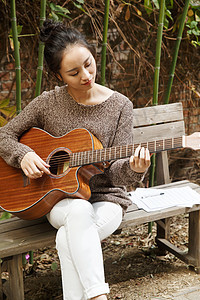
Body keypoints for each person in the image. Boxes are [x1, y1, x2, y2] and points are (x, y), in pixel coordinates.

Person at [0, 20, 150, 300]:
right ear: (58, 76)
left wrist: (133, 169)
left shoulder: (120, 106)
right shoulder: (47, 104)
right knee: (78, 212)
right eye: (73, 72)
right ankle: (98, 296)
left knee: (67, 239)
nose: (86, 75)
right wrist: (24, 155)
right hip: (58, 199)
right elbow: (4, 135)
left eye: (89, 64)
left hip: (107, 199)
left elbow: (117, 174)